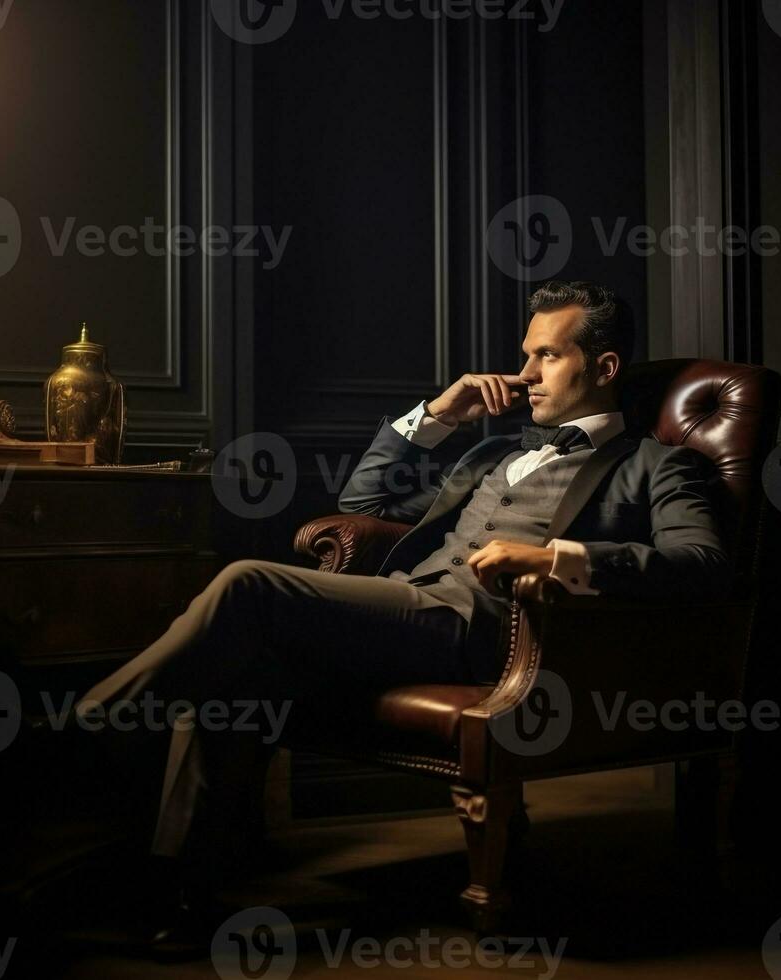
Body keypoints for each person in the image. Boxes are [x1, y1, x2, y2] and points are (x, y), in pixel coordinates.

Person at [75, 280, 732, 954]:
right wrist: (439, 414)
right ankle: (176, 893)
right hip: (409, 609)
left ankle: (92, 726)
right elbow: (362, 496)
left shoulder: (658, 465)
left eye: (546, 357)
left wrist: (555, 555)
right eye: (525, 356)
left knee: (248, 585)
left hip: (486, 632)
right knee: (241, 676)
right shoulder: (495, 452)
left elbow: (702, 562)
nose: (525, 374)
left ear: (604, 367)